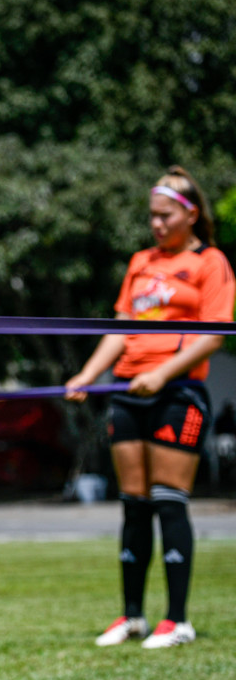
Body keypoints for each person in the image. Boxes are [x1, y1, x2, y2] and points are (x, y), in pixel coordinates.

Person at [66, 166, 235, 650]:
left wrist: (163, 373)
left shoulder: (211, 263)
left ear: (191, 214)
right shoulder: (140, 262)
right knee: (134, 504)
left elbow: (216, 332)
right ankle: (133, 616)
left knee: (168, 500)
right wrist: (87, 374)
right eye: (152, 217)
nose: (156, 225)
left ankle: (177, 619)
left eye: (165, 216)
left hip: (177, 393)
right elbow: (121, 329)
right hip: (127, 391)